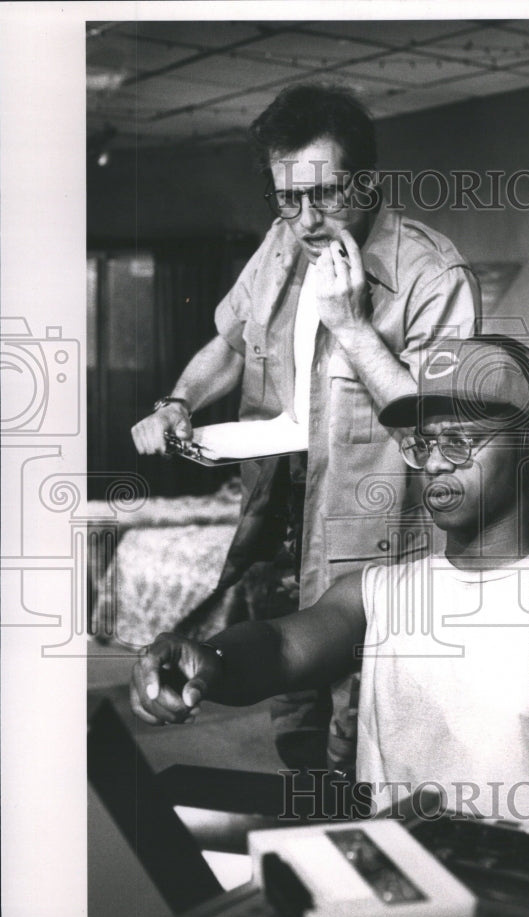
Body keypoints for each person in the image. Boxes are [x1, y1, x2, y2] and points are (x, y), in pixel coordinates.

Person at [131, 336, 529, 844]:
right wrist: (210, 659)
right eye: (425, 442)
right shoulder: (375, 593)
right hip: (392, 891)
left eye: (461, 440)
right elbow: (278, 647)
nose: (436, 460)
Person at [130, 84, 481, 775]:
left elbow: (440, 434)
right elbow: (230, 343)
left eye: (325, 194)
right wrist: (177, 401)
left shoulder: (431, 275)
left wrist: (352, 326)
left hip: (373, 552)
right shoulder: (281, 242)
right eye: (287, 197)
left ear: (369, 181)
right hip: (280, 532)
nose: (307, 217)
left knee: (362, 740)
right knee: (295, 724)